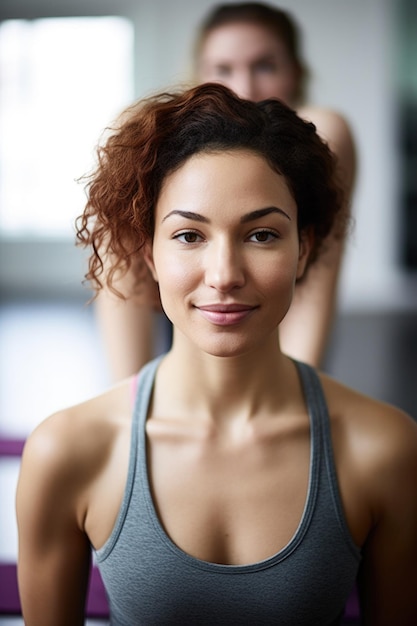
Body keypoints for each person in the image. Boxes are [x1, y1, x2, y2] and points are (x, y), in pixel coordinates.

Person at [16, 83, 417, 625]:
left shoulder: (385, 451)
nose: (225, 275)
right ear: (147, 252)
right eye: (188, 235)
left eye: (261, 235)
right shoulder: (66, 453)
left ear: (305, 247)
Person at [96, 2, 357, 380]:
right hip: (185, 331)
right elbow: (120, 264)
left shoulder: (324, 134)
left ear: (296, 74)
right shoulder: (170, 146)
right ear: (198, 78)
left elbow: (321, 273)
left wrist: (303, 396)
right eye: (223, 69)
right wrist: (128, 406)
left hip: (286, 340)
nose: (244, 88)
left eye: (264, 66)